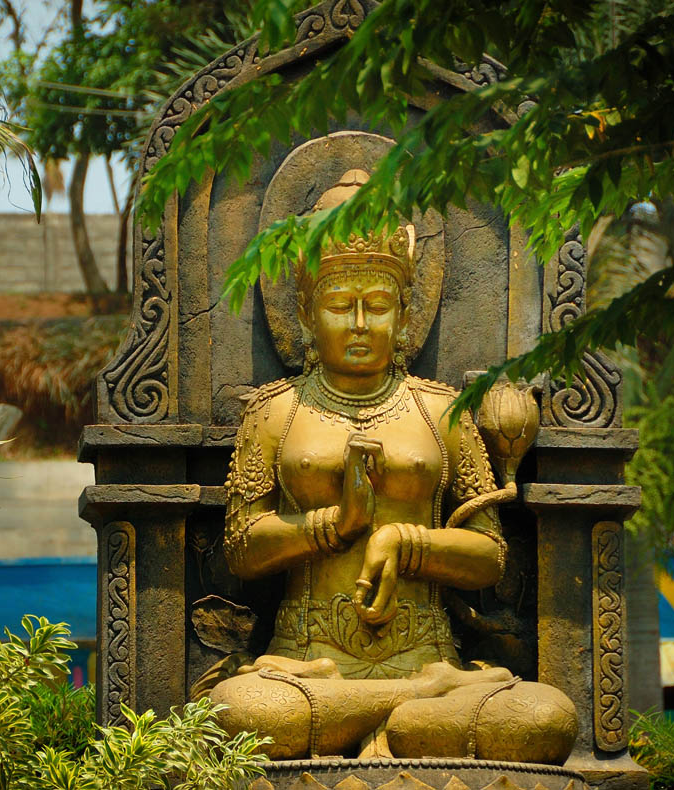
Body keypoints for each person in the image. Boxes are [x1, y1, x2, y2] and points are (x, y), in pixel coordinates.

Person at [203, 170, 577, 763]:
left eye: (377, 306)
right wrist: (337, 522)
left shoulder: (441, 412)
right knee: (238, 715)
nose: (358, 324)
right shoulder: (275, 412)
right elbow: (241, 549)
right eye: (339, 306)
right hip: (305, 669)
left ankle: (383, 711)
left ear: (404, 316)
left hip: (430, 660)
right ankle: (404, 712)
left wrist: (405, 542)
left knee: (543, 717)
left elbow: (489, 558)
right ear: (305, 315)